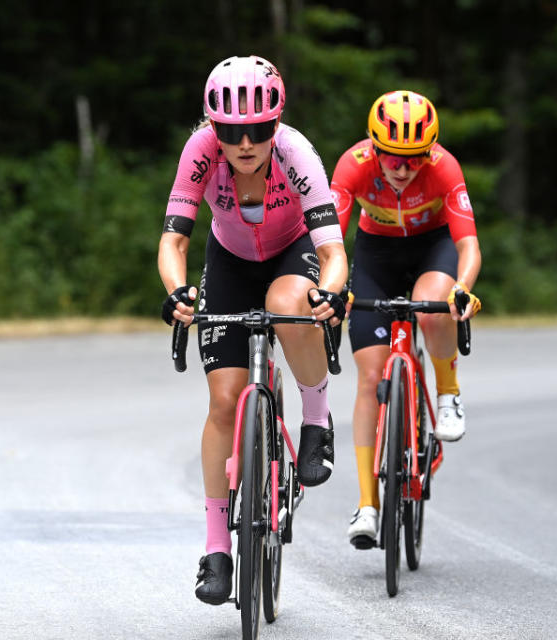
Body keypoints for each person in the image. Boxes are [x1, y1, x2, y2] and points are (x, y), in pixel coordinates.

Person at [158, 55, 348, 604]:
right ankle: (217, 550)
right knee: (223, 402)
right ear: (213, 128)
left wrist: (331, 291)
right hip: (230, 260)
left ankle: (316, 419)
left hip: (293, 252)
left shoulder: (296, 153)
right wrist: (177, 291)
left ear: (276, 124)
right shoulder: (200, 152)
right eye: (231, 131)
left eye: (258, 130)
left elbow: (333, 250)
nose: (245, 143)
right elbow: (175, 240)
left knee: (288, 301)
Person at [329, 90, 482, 548]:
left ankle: (448, 394)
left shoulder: (445, 168)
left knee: (432, 303)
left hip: (431, 248)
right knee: (368, 378)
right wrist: (329, 290)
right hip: (375, 257)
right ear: (374, 148)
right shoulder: (352, 165)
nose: (402, 168)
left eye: (414, 159)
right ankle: (367, 505)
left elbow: (468, 245)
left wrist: (463, 288)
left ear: (429, 151)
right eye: (392, 157)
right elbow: (330, 241)